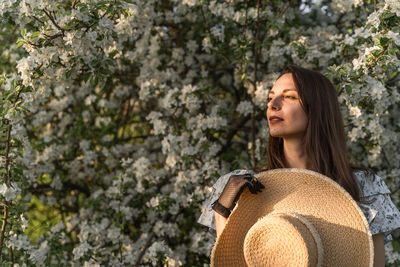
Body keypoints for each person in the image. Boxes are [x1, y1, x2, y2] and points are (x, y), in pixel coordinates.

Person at [197, 65, 400, 266]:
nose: (273, 105)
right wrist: (222, 211)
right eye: (270, 98)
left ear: (317, 107)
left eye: (289, 97)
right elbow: (234, 262)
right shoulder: (244, 185)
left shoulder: (362, 186)